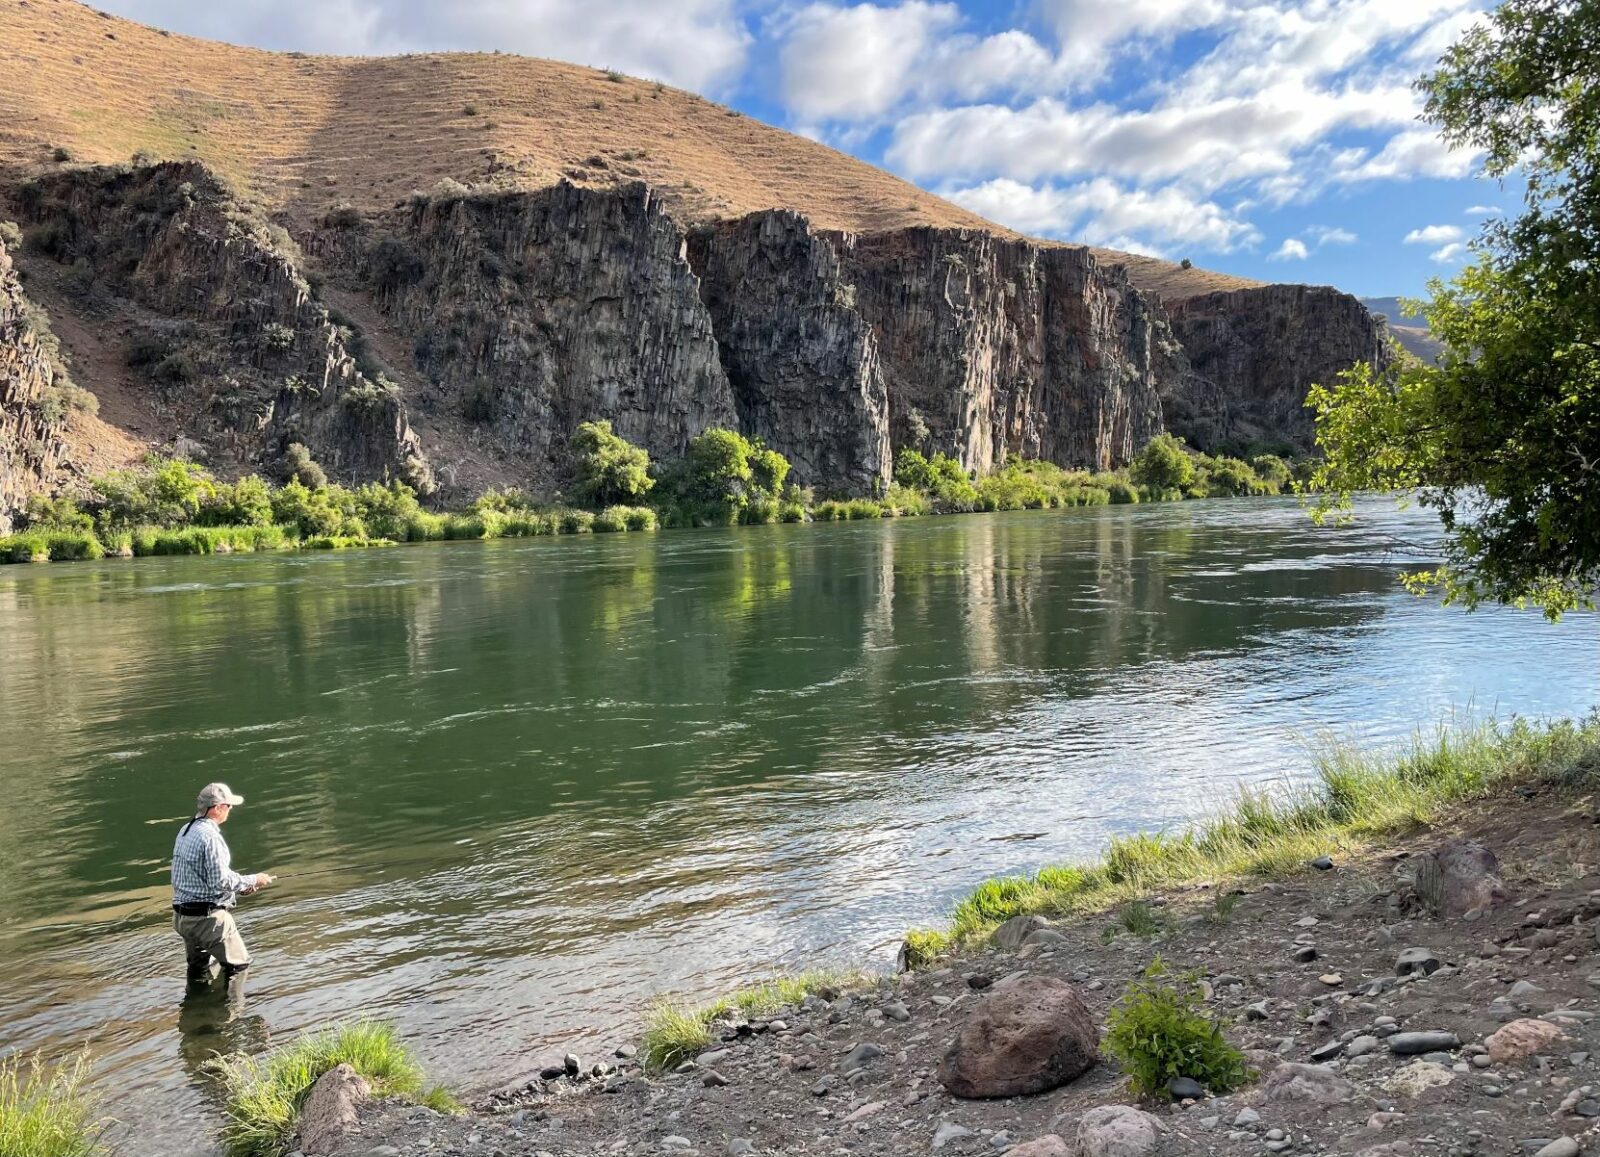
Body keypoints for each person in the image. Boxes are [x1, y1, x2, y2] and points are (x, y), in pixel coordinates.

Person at [171, 782, 272, 984]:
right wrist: (254, 879)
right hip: (207, 921)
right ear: (217, 808)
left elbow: (200, 878)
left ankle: (196, 1011)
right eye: (228, 805)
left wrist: (242, 888)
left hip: (183, 919)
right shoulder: (210, 837)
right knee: (239, 967)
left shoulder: (186, 829)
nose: (231, 809)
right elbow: (221, 880)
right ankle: (232, 1014)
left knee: (199, 970)